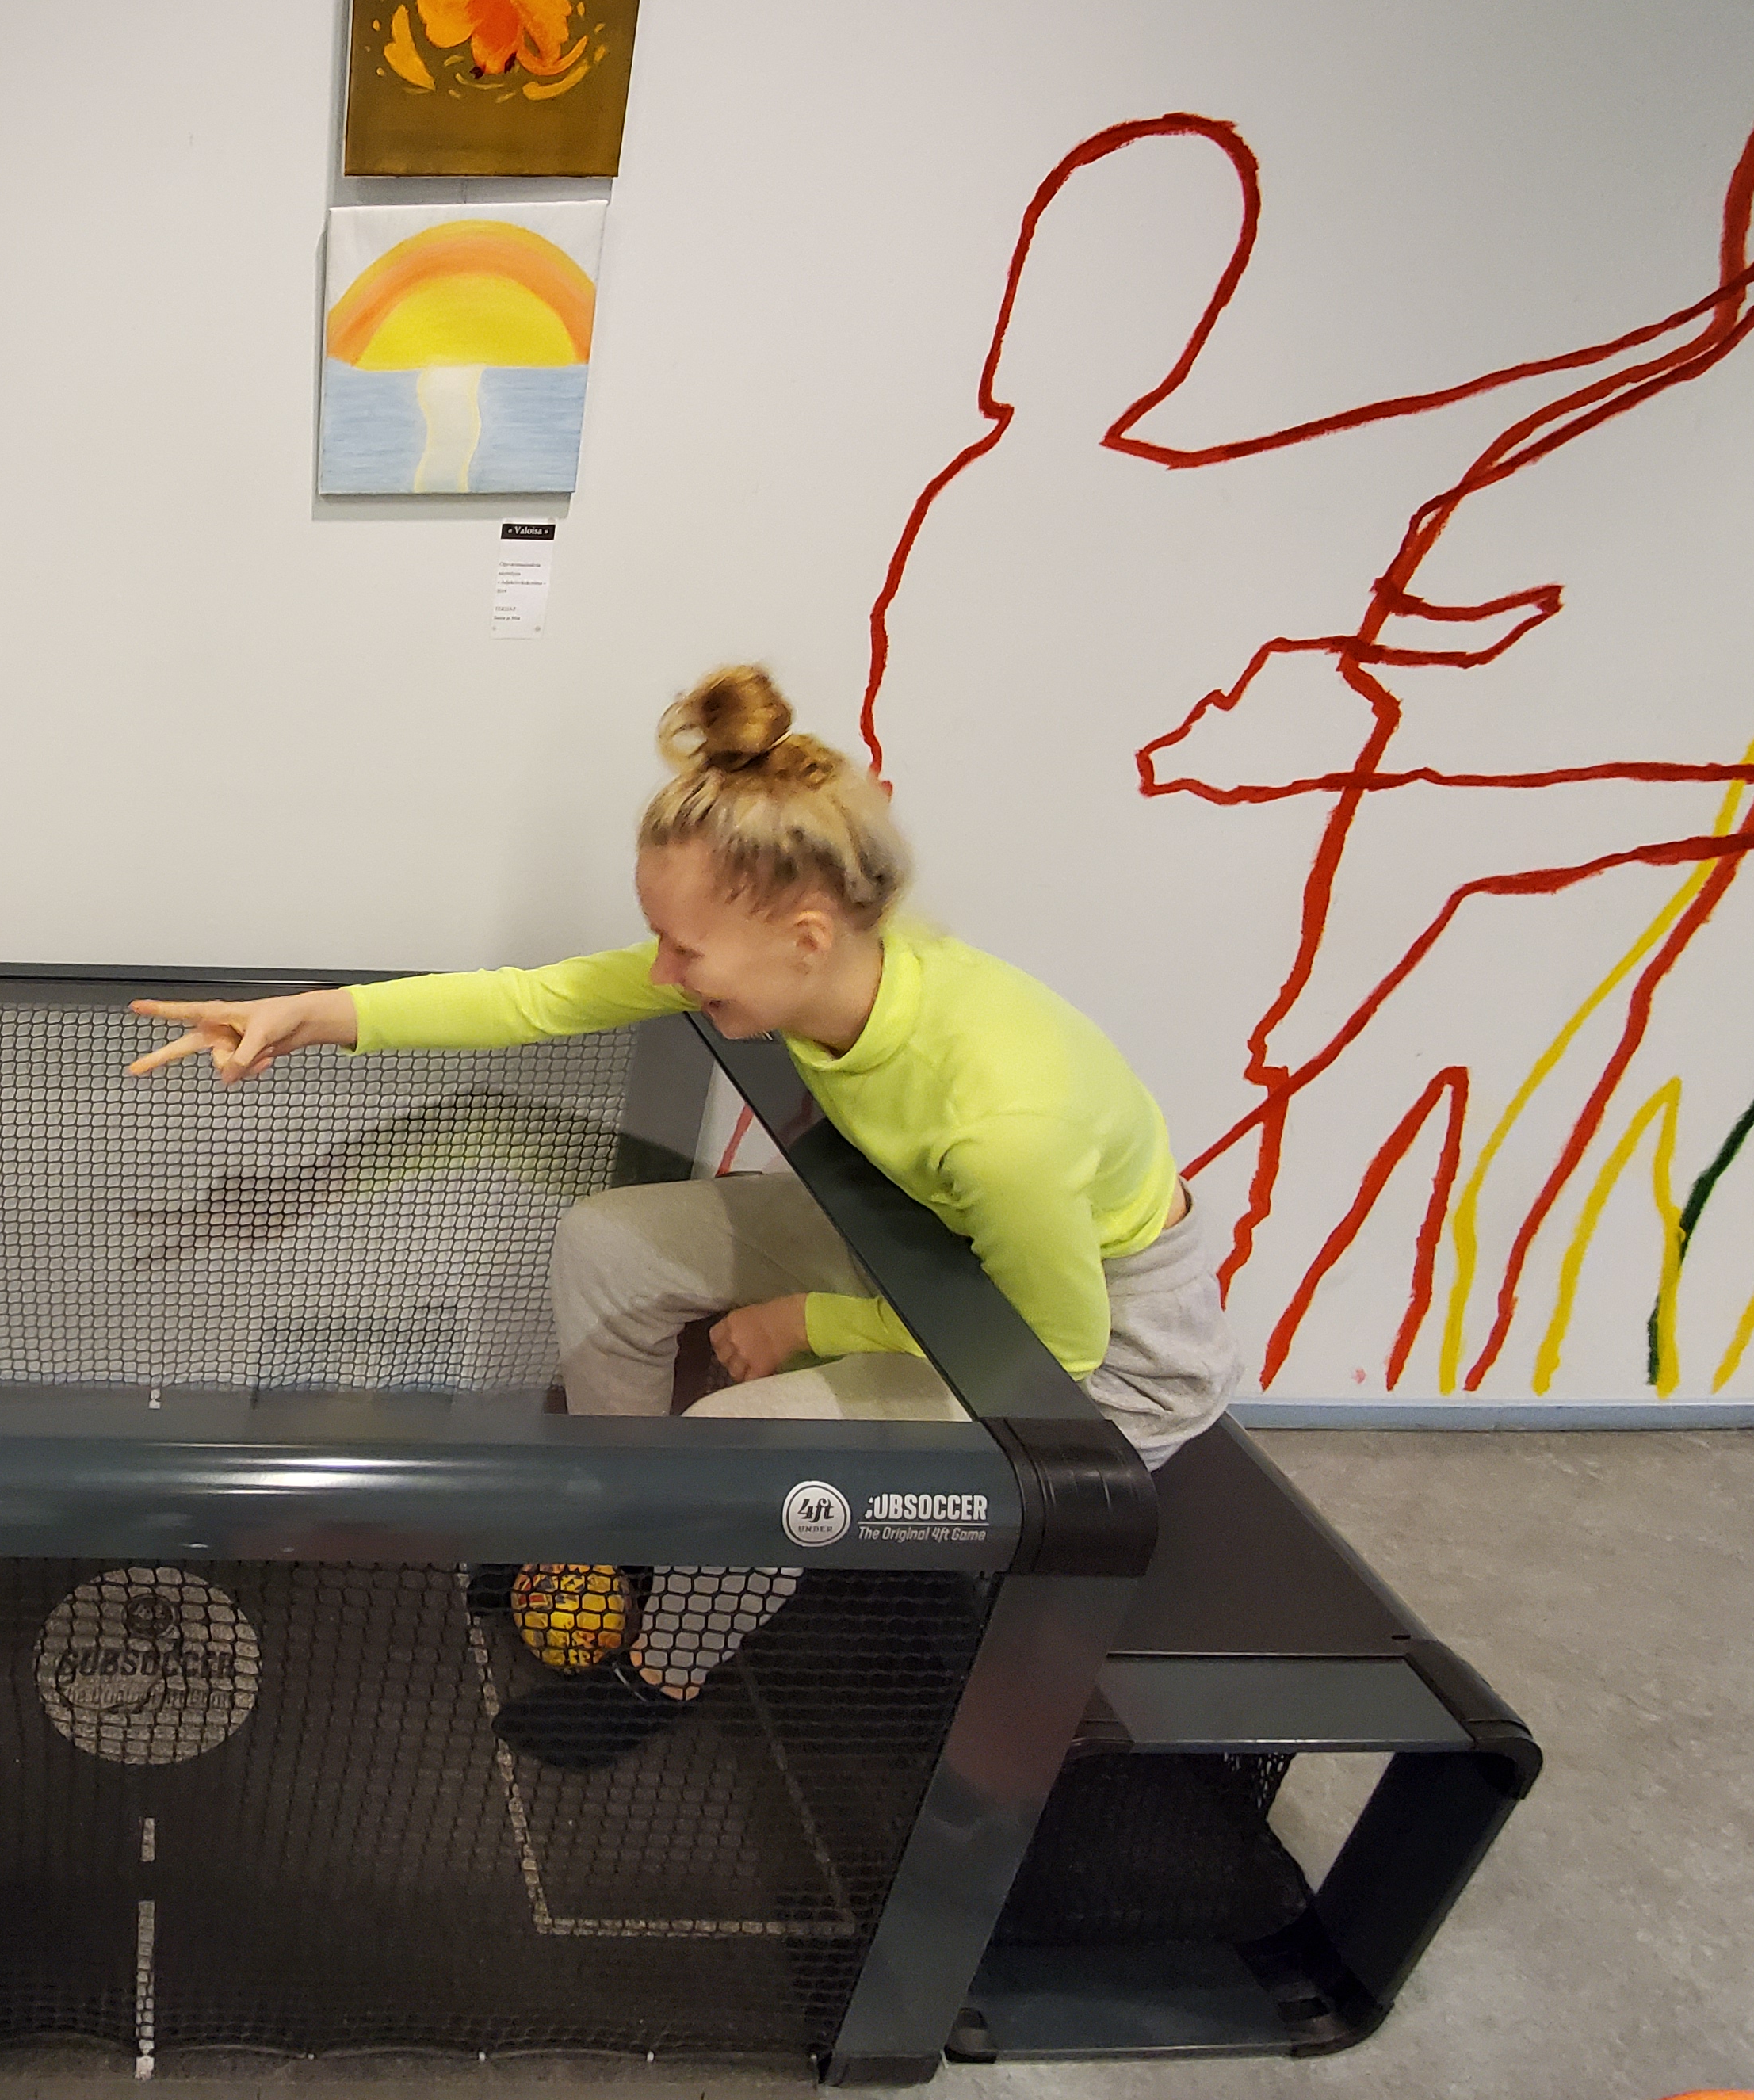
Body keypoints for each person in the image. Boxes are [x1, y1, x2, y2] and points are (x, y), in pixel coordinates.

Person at [130, 664, 1243, 1769]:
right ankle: (623, 1530)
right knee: (608, 1243)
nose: (662, 973)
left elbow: (1058, 1344)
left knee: (738, 1439)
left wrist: (809, 1322)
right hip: (923, 1243)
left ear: (806, 937)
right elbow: (535, 999)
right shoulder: (828, 967)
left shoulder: (1003, 1118)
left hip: (1100, 1365)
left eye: (686, 952)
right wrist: (305, 1016)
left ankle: (661, 1669)